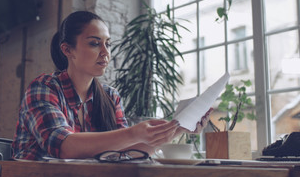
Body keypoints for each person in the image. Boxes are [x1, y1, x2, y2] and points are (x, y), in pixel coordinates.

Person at [12, 11, 212, 160]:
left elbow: (129, 152)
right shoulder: (44, 88)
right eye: (94, 43)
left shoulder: (110, 96)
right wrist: (133, 133)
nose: (106, 52)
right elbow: (64, 146)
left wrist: (178, 128)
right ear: (67, 50)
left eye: (108, 44)